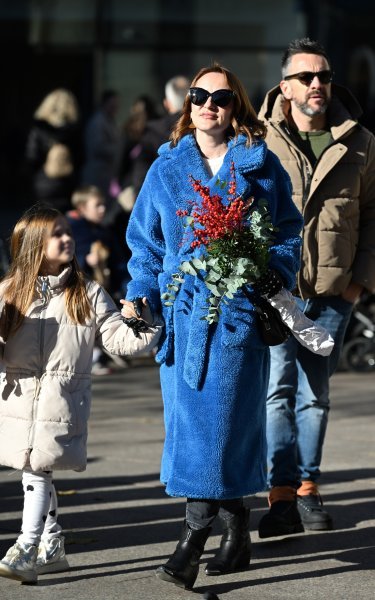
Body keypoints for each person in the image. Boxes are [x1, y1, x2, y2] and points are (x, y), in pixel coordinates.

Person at [123, 63, 303, 590]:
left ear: (236, 106)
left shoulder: (260, 166)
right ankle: (236, 528)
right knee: (197, 430)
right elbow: (145, 242)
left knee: (221, 429)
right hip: (184, 321)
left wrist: (271, 270)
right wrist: (139, 294)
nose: (209, 105)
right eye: (200, 95)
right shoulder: (166, 170)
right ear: (188, 105)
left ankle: (191, 541)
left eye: (221, 97)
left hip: (236, 321)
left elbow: (288, 232)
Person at [0, 205, 161, 585]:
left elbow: (118, 340)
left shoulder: (87, 293)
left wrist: (141, 321)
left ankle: (26, 546)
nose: (66, 238)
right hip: (18, 400)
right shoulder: (8, 292)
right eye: (56, 233)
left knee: (38, 471)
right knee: (35, 469)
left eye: (66, 230)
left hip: (61, 399)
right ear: (33, 245)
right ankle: (52, 544)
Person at [257, 37, 375, 538]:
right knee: (276, 391)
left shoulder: (361, 140)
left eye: (323, 76)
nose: (317, 84)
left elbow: (373, 217)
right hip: (277, 292)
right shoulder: (257, 138)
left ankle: (307, 487)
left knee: (315, 395)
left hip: (332, 293)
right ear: (285, 86)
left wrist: (358, 285)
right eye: (305, 76)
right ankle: (279, 493)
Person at [67, 185, 130, 374]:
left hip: (104, 282)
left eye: (104, 205)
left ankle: (105, 350)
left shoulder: (103, 231)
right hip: (80, 285)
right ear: (82, 207)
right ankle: (94, 356)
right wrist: (85, 259)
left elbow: (119, 261)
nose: (103, 210)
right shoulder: (73, 230)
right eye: (97, 206)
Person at [130, 75, 190, 196]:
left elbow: (141, 175)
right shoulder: (202, 129)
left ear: (166, 103)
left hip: (160, 201)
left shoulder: (153, 132)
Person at [25, 89, 83, 213]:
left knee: (42, 221)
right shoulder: (74, 131)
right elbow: (81, 157)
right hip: (67, 183)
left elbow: (32, 157)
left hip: (43, 183)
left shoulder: (38, 129)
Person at [81, 89, 121, 201]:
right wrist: (118, 150)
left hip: (106, 172)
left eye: (116, 105)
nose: (115, 108)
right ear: (105, 103)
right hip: (98, 173)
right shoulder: (98, 122)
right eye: (112, 104)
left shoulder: (110, 121)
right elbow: (97, 147)